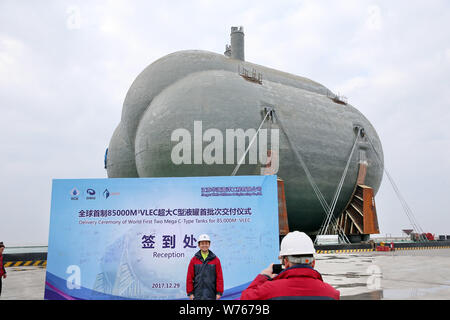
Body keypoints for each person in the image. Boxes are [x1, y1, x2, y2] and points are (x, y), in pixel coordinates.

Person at [240, 231, 340, 300]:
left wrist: (263, 276)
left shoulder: (268, 290)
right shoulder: (332, 293)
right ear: (313, 263)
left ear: (286, 262)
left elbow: (245, 298)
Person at [186, 234, 224, 300]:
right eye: (202, 243)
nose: (204, 245)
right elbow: (189, 277)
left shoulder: (216, 260)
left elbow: (219, 277)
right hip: (197, 295)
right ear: (199, 245)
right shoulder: (194, 260)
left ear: (209, 244)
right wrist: (190, 293)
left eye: (206, 243)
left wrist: (219, 292)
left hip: (211, 294)